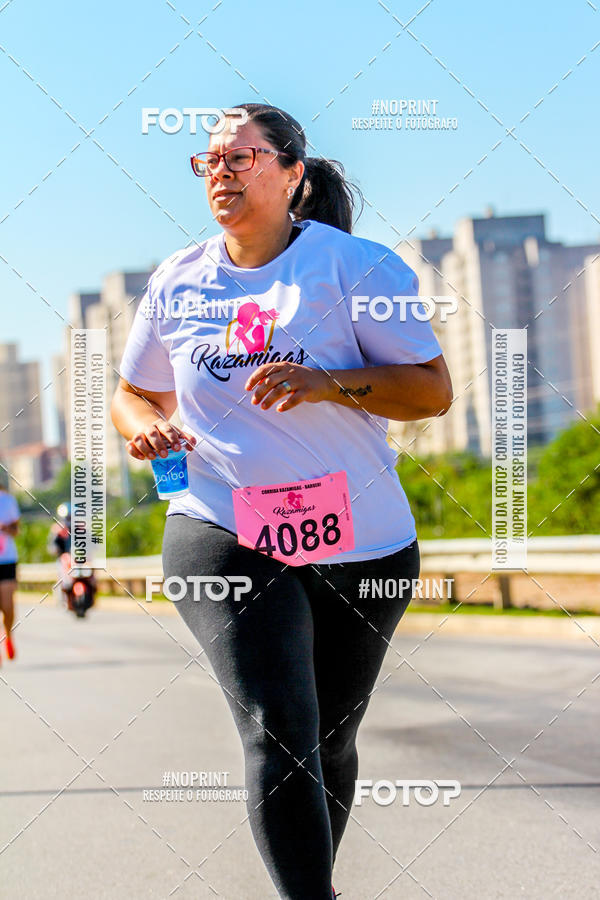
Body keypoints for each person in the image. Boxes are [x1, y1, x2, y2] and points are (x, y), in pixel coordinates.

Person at [111, 102, 453, 900]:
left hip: (361, 539)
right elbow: (133, 393)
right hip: (222, 525)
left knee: (329, 739)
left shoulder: (356, 269)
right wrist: (146, 429)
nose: (220, 174)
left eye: (240, 158)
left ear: (292, 171)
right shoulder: (179, 278)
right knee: (278, 729)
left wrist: (328, 384)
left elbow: (432, 392)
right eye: (208, 162)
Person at [0, 482, 20, 663]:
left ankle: (8, 634)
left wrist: (5, 528)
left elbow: (16, 530)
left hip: (6, 560)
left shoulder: (7, 501)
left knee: (7, 606)